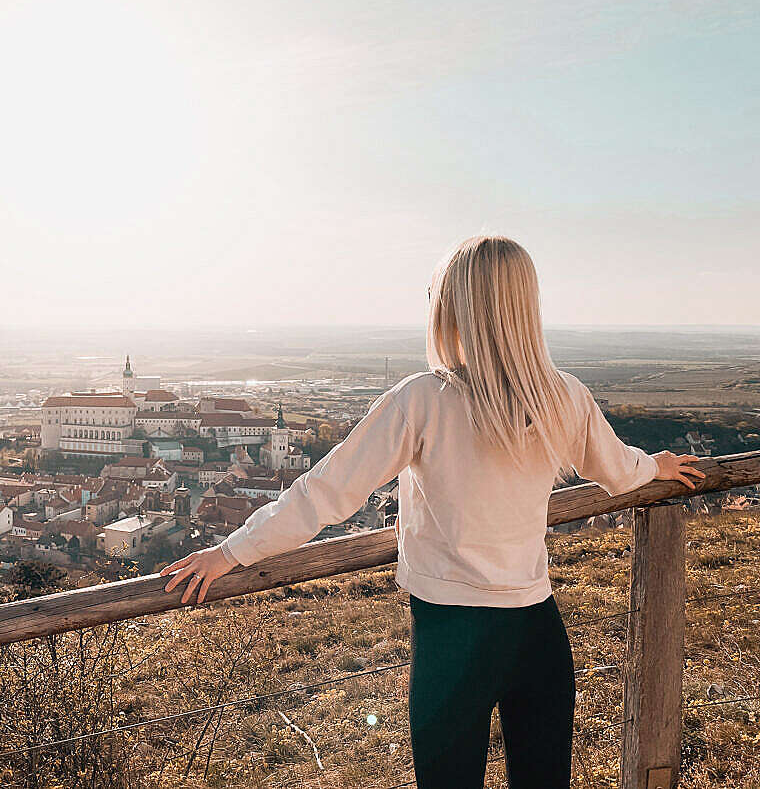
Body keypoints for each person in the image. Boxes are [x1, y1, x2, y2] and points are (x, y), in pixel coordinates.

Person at [161, 236, 706, 788]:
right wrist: (655, 465)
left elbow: (324, 493)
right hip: (538, 632)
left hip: (453, 638)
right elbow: (619, 471)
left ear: (453, 309)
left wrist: (231, 552)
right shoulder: (563, 396)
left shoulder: (422, 399)